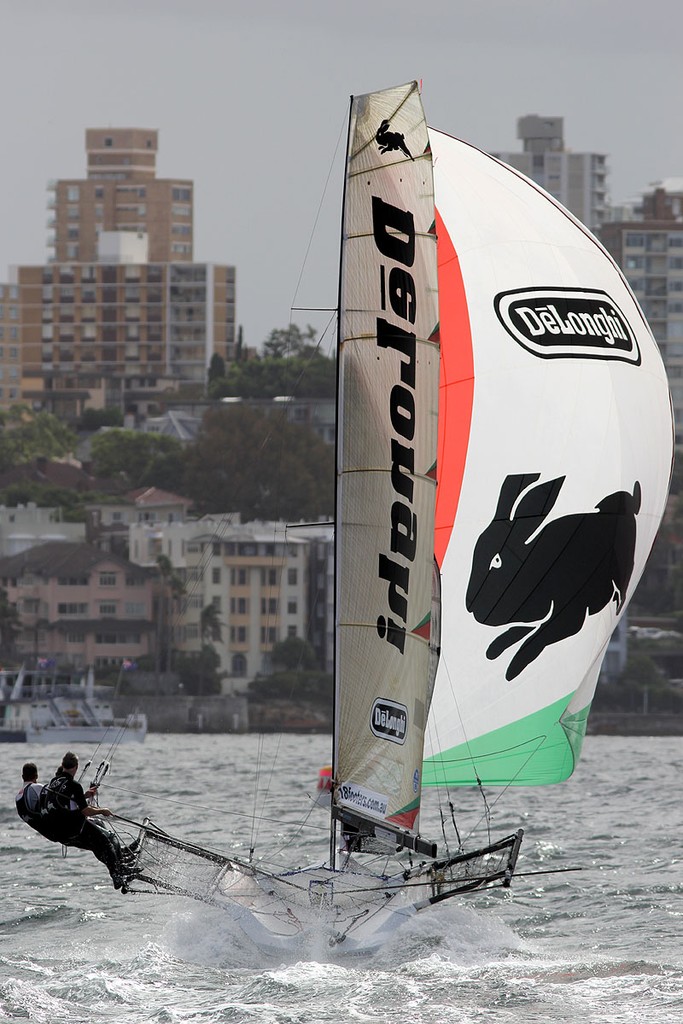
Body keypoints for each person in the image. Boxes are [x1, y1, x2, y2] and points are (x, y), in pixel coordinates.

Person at [38, 751, 136, 892]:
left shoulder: (54, 782)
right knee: (104, 841)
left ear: (62, 765)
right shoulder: (74, 785)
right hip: (73, 828)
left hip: (58, 832)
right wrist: (103, 810)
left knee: (97, 845)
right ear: (76, 767)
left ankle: (119, 868)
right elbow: (86, 811)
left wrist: (84, 796)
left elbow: (65, 801)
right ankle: (118, 874)